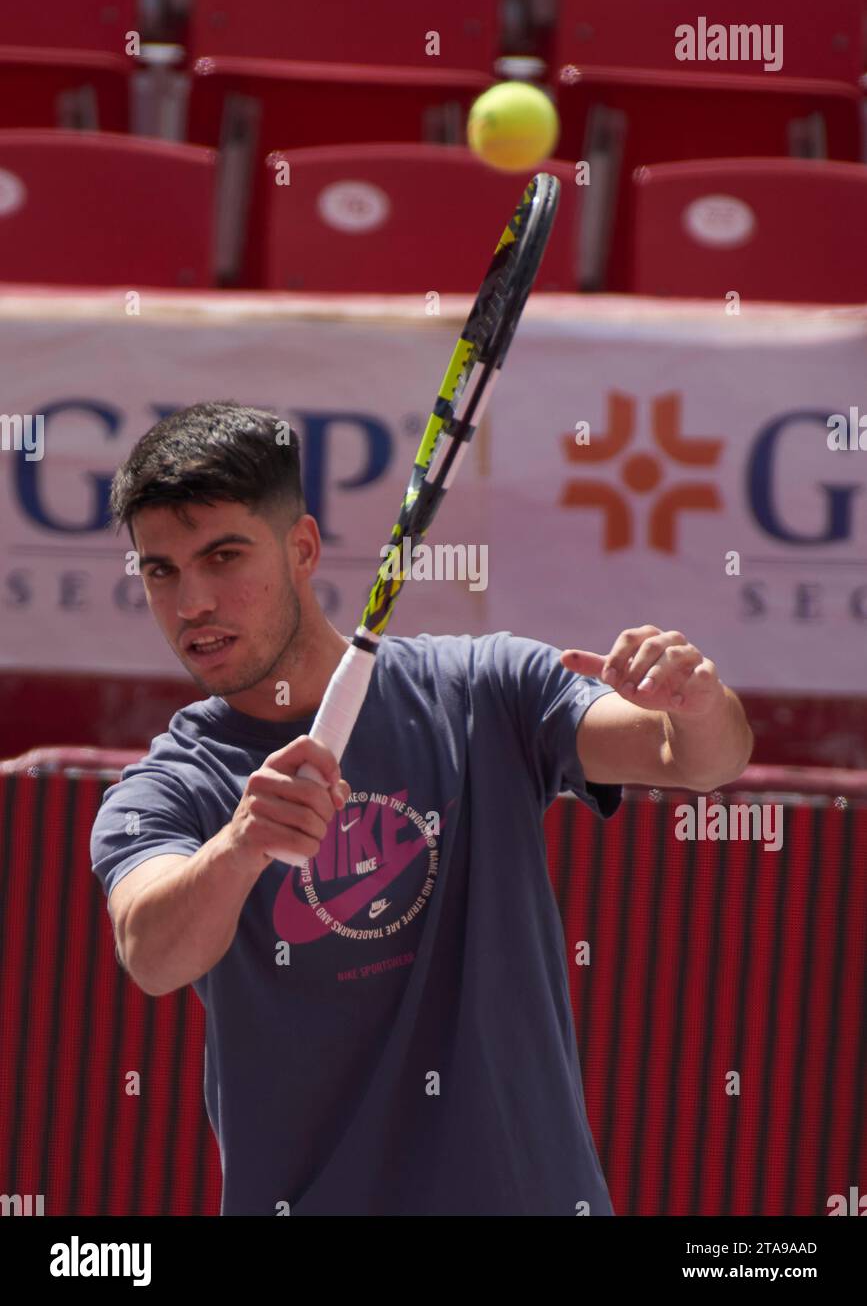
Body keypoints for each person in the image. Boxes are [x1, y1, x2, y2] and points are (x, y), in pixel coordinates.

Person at [90, 400, 753, 1216]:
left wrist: (692, 701)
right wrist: (238, 846)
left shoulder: (486, 687)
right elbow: (151, 953)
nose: (191, 602)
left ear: (302, 548)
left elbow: (697, 759)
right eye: (161, 570)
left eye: (222, 556)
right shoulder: (164, 787)